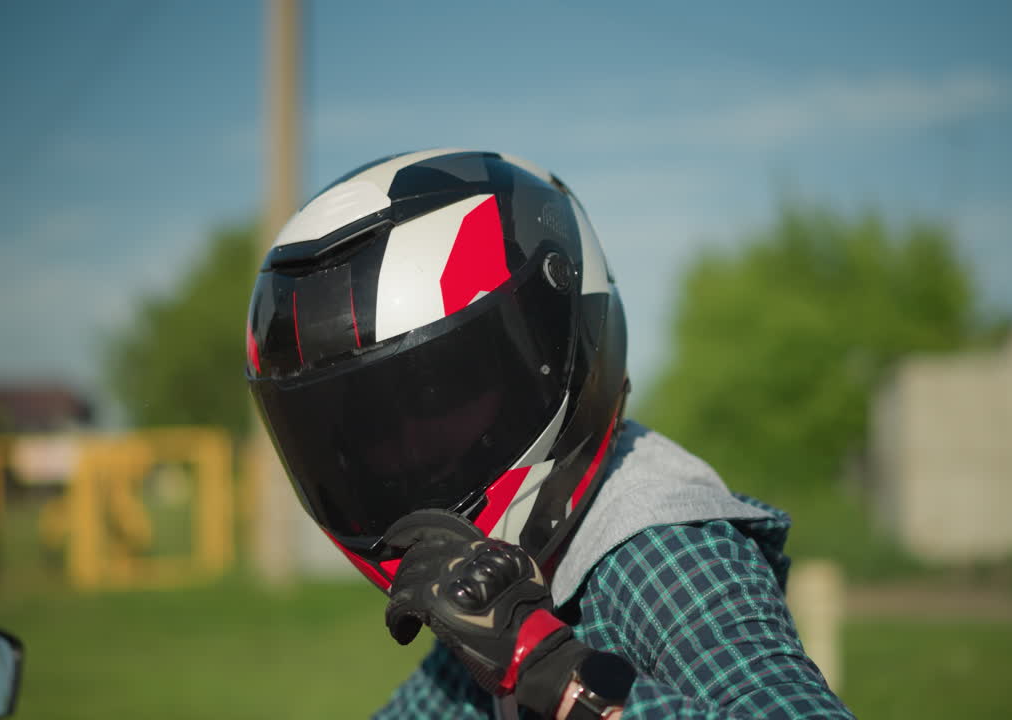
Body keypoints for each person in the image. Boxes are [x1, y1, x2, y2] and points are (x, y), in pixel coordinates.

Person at [245, 149, 855, 719]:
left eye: (443, 397)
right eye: (367, 429)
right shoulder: (513, 580)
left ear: (558, 354)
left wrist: (556, 676)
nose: (403, 450)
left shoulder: (657, 554)